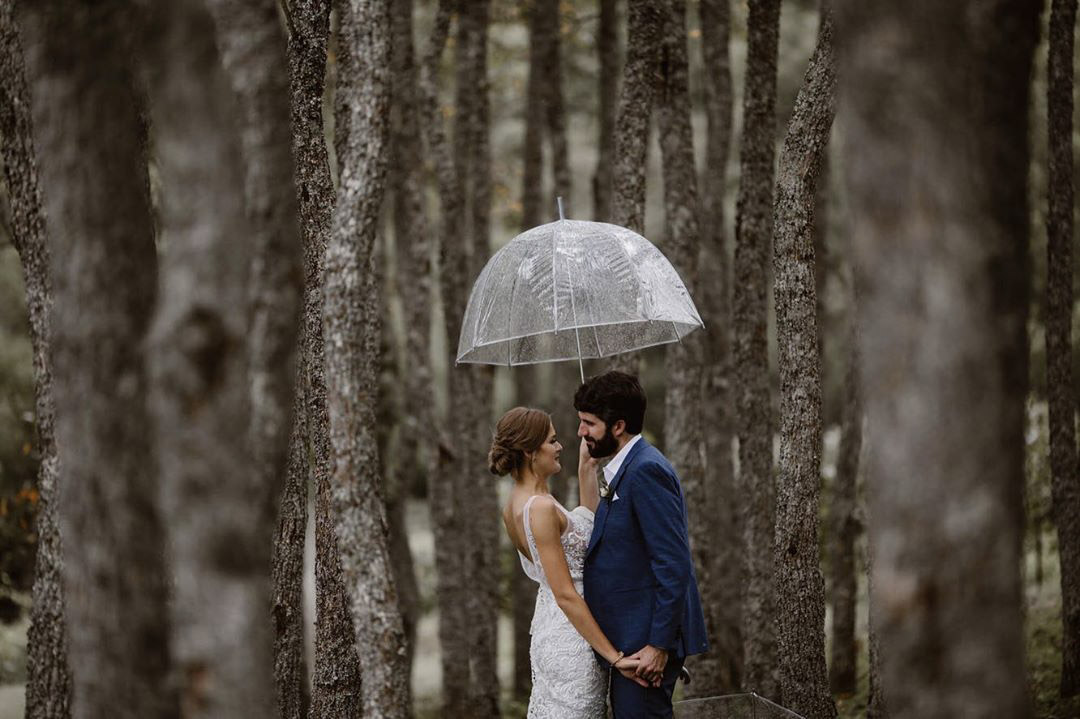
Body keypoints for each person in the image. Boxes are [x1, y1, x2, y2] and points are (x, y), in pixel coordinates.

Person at [491, 406, 648, 719]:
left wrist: (585, 467)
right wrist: (614, 658)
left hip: (552, 625)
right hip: (572, 636)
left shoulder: (517, 503)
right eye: (552, 441)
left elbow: (581, 532)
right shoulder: (539, 508)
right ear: (529, 451)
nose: (560, 446)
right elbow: (565, 592)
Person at [577, 371, 708, 719]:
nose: (581, 432)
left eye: (589, 423)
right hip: (628, 639)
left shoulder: (646, 471)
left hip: (645, 645)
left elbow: (673, 563)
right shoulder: (623, 468)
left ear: (618, 426)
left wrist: (658, 645)